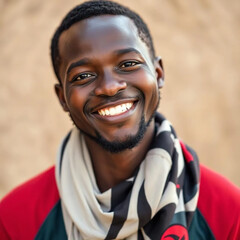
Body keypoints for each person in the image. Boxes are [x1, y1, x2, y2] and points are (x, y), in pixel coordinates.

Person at [0, 1, 239, 239]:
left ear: (158, 74)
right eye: (83, 76)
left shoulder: (226, 213)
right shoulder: (16, 220)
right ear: (62, 97)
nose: (110, 87)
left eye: (128, 64)